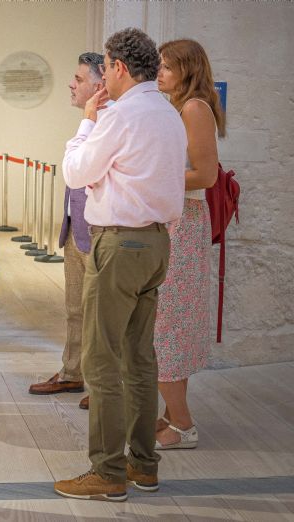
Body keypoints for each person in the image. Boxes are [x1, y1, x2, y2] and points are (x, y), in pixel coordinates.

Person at [54, 28, 187, 502]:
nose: (105, 74)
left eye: (107, 66)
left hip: (121, 246)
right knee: (139, 357)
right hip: (156, 244)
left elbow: (77, 172)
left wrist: (87, 122)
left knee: (101, 358)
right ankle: (143, 464)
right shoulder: (169, 113)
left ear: (119, 69)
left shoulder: (122, 115)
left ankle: (107, 471)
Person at [154, 39, 225, 450]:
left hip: (185, 224)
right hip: (176, 220)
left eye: (166, 67)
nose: (160, 72)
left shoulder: (195, 108)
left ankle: (183, 424)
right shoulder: (180, 108)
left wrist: (151, 174)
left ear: (187, 69)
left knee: (171, 327)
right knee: (167, 323)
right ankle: (171, 415)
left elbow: (207, 175)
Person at [29, 52, 105, 409]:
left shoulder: (111, 124)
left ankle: (103, 385)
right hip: (77, 230)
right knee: (75, 309)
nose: (72, 85)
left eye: (78, 78)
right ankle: (72, 371)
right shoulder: (89, 122)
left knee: (101, 315)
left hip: (101, 234)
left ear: (99, 84)